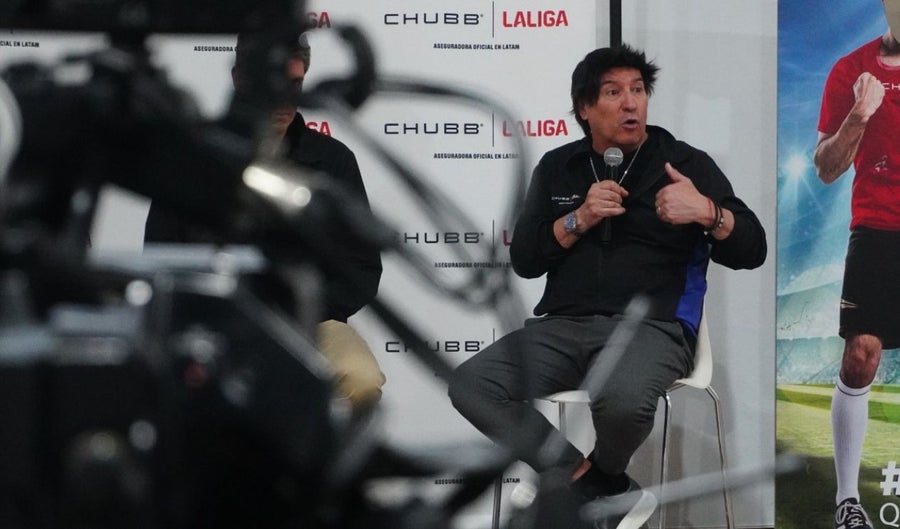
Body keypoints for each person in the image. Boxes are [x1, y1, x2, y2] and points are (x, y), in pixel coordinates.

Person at [447, 44, 766, 528]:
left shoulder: (684, 163)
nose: (631, 103)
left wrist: (707, 212)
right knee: (472, 384)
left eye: (638, 90)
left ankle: (595, 488)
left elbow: (752, 249)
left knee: (620, 401)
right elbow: (526, 261)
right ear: (585, 108)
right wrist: (578, 218)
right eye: (614, 93)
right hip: (563, 327)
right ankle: (595, 485)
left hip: (654, 328)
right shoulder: (558, 167)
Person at [144, 31, 386, 410]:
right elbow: (159, 255)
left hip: (310, 322)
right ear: (239, 79)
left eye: (295, 84)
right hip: (210, 323)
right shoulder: (194, 155)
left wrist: (305, 307)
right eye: (270, 83)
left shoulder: (333, 160)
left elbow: (361, 267)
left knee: (361, 378)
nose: (283, 99)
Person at [814, 1, 900, 527]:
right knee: (861, 355)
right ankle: (848, 501)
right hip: (877, 227)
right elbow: (826, 168)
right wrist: (859, 114)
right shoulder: (852, 69)